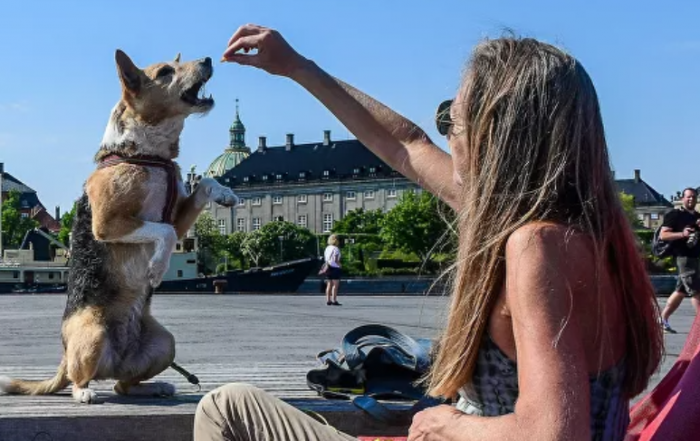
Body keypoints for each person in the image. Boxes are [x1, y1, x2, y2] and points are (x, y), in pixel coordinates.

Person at [193, 24, 663, 441]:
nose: (444, 136)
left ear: (492, 136)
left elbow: (556, 433)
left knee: (227, 406)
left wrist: (452, 424)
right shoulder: (591, 233)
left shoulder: (535, 246)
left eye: (451, 120)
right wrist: (298, 67)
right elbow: (403, 144)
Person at [659, 187, 700, 333]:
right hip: (683, 257)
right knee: (697, 291)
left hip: (694, 257)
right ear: (682, 198)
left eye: (694, 197)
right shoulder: (674, 214)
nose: (691, 199)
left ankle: (662, 319)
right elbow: (663, 236)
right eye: (688, 197)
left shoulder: (697, 216)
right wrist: (682, 234)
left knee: (681, 291)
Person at [323, 234, 342, 306]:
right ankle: (334, 300)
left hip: (328, 267)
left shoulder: (327, 248)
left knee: (329, 284)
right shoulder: (336, 249)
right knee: (335, 285)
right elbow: (336, 260)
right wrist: (340, 265)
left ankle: (328, 300)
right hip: (335, 267)